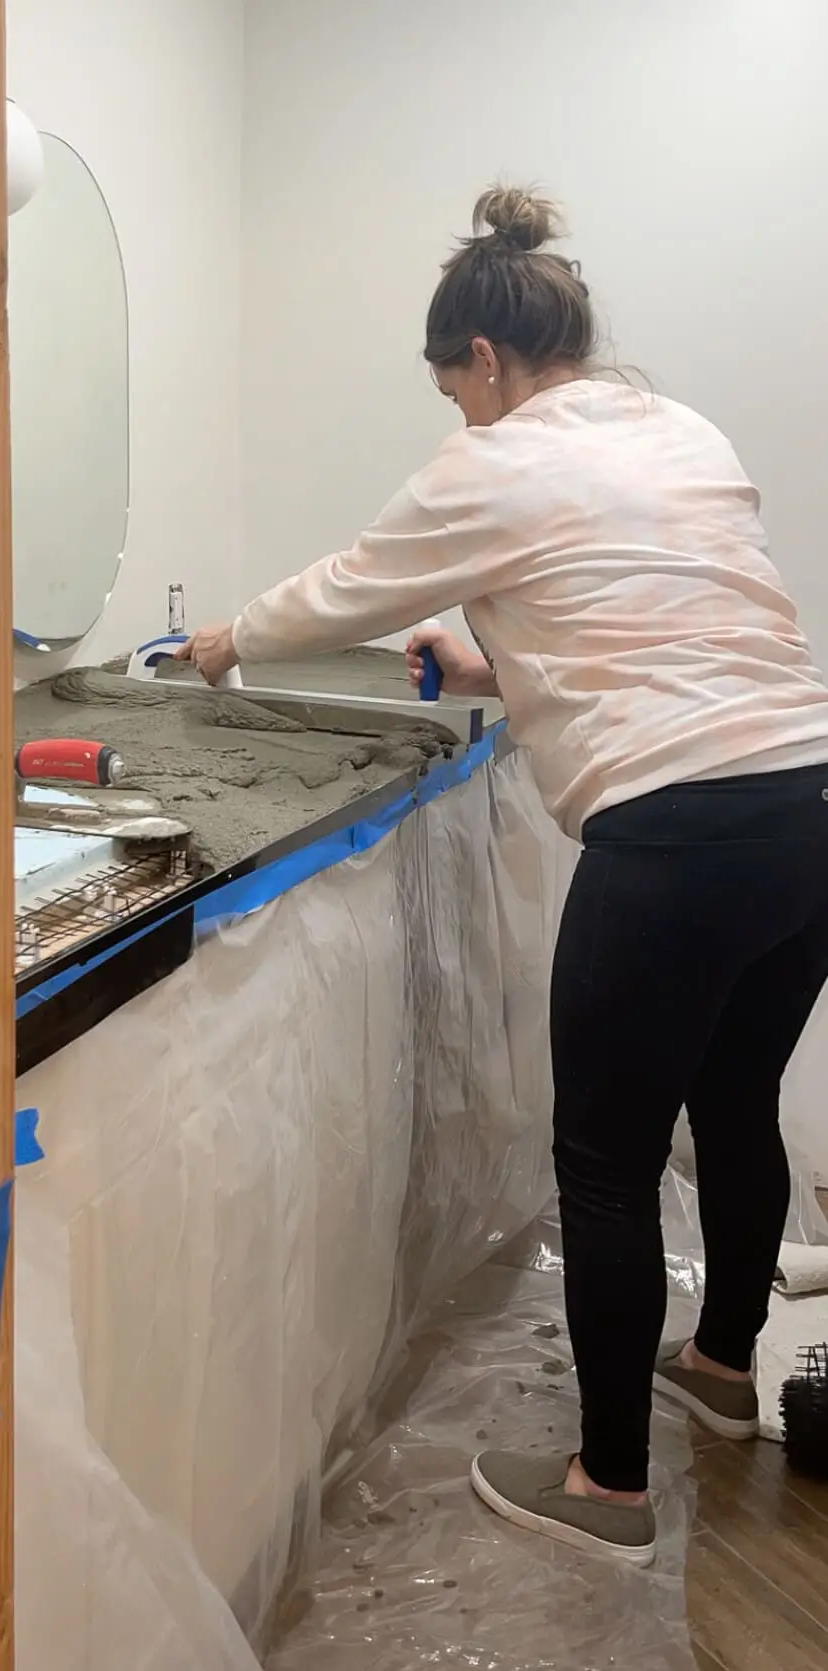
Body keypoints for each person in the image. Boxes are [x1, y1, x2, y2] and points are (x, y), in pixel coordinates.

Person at [175, 185, 828, 1566]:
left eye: (456, 394)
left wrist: (228, 640)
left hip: (681, 828)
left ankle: (605, 1488)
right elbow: (659, 614)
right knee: (735, 1095)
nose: (461, 419)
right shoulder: (677, 429)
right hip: (804, 798)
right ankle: (716, 1371)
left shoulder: (495, 459)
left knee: (597, 1159)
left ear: (480, 360)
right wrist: (491, 663)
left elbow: (348, 585)